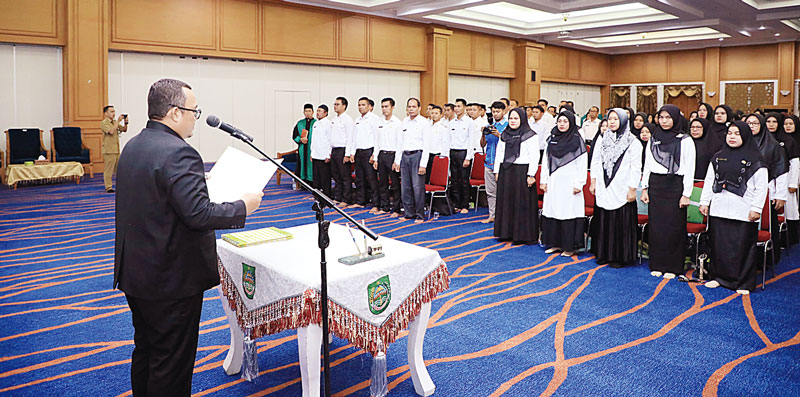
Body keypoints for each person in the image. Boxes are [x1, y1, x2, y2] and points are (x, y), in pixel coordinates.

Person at [114, 78, 262, 396]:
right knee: (172, 364)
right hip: (170, 281)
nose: (197, 116)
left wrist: (195, 183)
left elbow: (156, 196)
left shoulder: (134, 146)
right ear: (175, 112)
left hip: (136, 273)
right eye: (195, 110)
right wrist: (243, 207)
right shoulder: (180, 153)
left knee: (148, 351)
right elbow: (198, 216)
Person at [699, 120, 767, 294]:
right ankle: (717, 277)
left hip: (743, 211)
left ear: (745, 136)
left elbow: (761, 187)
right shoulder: (717, 156)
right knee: (719, 245)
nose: (732, 137)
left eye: (737, 134)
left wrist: (757, 209)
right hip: (720, 209)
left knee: (742, 248)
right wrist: (704, 202)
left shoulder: (756, 160)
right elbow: (709, 181)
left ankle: (743, 283)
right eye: (730, 133)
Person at [640, 105, 696, 279]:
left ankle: (673, 266)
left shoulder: (685, 140)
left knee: (674, 227)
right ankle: (657, 263)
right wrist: (644, 188)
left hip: (675, 185)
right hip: (656, 185)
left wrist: (686, 193)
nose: (664, 121)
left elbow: (689, 168)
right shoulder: (654, 137)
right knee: (657, 227)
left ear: (675, 118)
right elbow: (647, 164)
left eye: (668, 118)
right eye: (661, 117)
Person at [590, 109, 642, 268]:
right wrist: (593, 181)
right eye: (610, 119)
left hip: (622, 187)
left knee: (619, 220)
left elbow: (636, 167)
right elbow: (595, 161)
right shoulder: (602, 139)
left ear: (624, 121)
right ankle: (603, 253)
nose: (612, 122)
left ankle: (619, 257)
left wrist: (633, 188)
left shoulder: (633, 141)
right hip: (604, 186)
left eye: (616, 119)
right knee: (604, 217)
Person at [540, 110, 588, 256]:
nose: (561, 124)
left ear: (571, 123)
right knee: (553, 211)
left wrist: (579, 183)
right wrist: (543, 180)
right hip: (554, 181)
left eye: (565, 121)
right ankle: (555, 244)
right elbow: (545, 161)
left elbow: (582, 162)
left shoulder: (577, 139)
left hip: (570, 182)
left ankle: (569, 247)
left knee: (568, 213)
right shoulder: (552, 138)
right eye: (559, 121)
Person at [748, 114, 790, 262]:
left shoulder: (773, 145)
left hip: (767, 192)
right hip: (744, 193)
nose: (751, 126)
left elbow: (781, 171)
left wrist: (781, 195)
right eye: (749, 123)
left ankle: (766, 259)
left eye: (755, 123)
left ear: (761, 125)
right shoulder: (741, 143)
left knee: (766, 225)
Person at [494, 107, 539, 243]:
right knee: (506, 202)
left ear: (522, 119)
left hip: (522, 171)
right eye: (511, 118)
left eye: (516, 118)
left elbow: (534, 156)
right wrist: (497, 171)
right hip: (506, 170)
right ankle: (506, 232)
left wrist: (531, 174)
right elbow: (499, 154)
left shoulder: (530, 135)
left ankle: (522, 235)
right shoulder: (505, 134)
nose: (512, 121)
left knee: (521, 203)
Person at [766, 112, 799, 246]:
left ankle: (790, 240)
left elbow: (794, 162)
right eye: (768, 121)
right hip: (769, 181)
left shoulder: (788, 140)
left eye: (774, 121)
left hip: (785, 180)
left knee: (789, 212)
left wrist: (793, 182)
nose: (771, 124)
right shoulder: (763, 139)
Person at [400, 98, 430, 224]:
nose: (411, 109)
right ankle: (408, 213)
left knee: (417, 188)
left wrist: (423, 164)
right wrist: (397, 160)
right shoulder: (404, 122)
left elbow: (427, 145)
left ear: (419, 108)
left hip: (418, 155)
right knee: (405, 187)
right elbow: (400, 142)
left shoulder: (424, 122)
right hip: (405, 155)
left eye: (414, 106)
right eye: (409, 106)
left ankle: (419, 215)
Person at [375, 98, 403, 217]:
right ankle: (385, 207)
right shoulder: (380, 122)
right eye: (382, 106)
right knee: (382, 183)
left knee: (395, 184)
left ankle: (396, 209)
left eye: (386, 106)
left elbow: (400, 143)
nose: (384, 109)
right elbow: (377, 141)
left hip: (393, 156)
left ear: (392, 107)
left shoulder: (397, 123)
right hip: (382, 155)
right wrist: (376, 158)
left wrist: (397, 161)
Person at [350, 97, 380, 210]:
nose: (360, 107)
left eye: (363, 105)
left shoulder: (374, 119)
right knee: (359, 178)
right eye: (359, 105)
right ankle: (360, 201)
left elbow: (377, 138)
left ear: (369, 106)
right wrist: (352, 152)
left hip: (369, 151)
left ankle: (376, 204)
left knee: (372, 179)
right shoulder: (357, 119)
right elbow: (354, 137)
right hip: (359, 152)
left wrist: (374, 154)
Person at [449, 98, 476, 214]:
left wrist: (468, 157)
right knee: (454, 180)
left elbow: (471, 141)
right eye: (455, 106)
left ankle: (465, 205)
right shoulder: (451, 123)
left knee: (464, 181)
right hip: (453, 152)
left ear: (464, 108)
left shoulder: (469, 122)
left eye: (459, 106)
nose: (457, 108)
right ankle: (456, 204)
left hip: (464, 153)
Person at [481, 101, 507, 224]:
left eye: (498, 111)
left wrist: (499, 135)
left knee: (503, 191)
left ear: (504, 111)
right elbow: (482, 144)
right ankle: (492, 215)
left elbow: (510, 144)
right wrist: (483, 134)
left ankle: (504, 216)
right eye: (494, 111)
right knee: (490, 192)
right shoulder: (489, 125)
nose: (495, 114)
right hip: (489, 162)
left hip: (502, 164)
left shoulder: (507, 126)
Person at [330, 96, 355, 205]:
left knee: (345, 177)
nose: (335, 106)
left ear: (344, 106)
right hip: (334, 150)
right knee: (336, 176)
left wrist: (347, 154)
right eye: (334, 104)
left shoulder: (348, 120)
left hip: (343, 150)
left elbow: (350, 138)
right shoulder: (334, 120)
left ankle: (346, 199)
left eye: (337, 104)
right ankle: (338, 197)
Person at [100, 105, 128, 193]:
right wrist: (118, 121)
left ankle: (121, 185)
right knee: (109, 170)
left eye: (114, 111)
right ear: (106, 113)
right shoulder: (104, 123)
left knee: (119, 170)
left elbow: (124, 130)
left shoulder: (114, 122)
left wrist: (126, 123)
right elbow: (111, 132)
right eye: (111, 112)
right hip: (108, 150)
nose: (114, 113)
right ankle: (108, 187)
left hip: (116, 149)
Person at [311, 104, 333, 198]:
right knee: (316, 178)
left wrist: (329, 154)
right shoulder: (315, 124)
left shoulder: (328, 124)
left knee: (325, 178)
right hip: (316, 154)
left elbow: (330, 140)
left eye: (320, 111)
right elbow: (313, 140)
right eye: (317, 111)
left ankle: (326, 195)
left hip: (324, 155)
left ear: (325, 113)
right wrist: (312, 153)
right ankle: (317, 195)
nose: (318, 113)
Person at [784, 115, 800, 243]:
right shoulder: (782, 140)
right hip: (787, 177)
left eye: (791, 123)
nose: (788, 126)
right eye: (786, 124)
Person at [292, 104, 315, 186]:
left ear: (313, 112)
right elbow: (294, 135)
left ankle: (312, 182)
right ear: (303, 112)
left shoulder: (316, 123)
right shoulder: (300, 123)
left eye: (309, 111)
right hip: (302, 148)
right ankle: (302, 183)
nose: (307, 113)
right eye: (306, 111)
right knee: (302, 164)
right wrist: (300, 140)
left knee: (312, 165)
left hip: (312, 150)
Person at [426, 105, 449, 185]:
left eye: (436, 113)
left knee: (435, 178)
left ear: (441, 115)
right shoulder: (427, 126)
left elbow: (445, 143)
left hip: (437, 155)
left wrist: (442, 157)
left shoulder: (443, 128)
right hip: (428, 154)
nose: (434, 115)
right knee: (426, 177)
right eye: (432, 113)